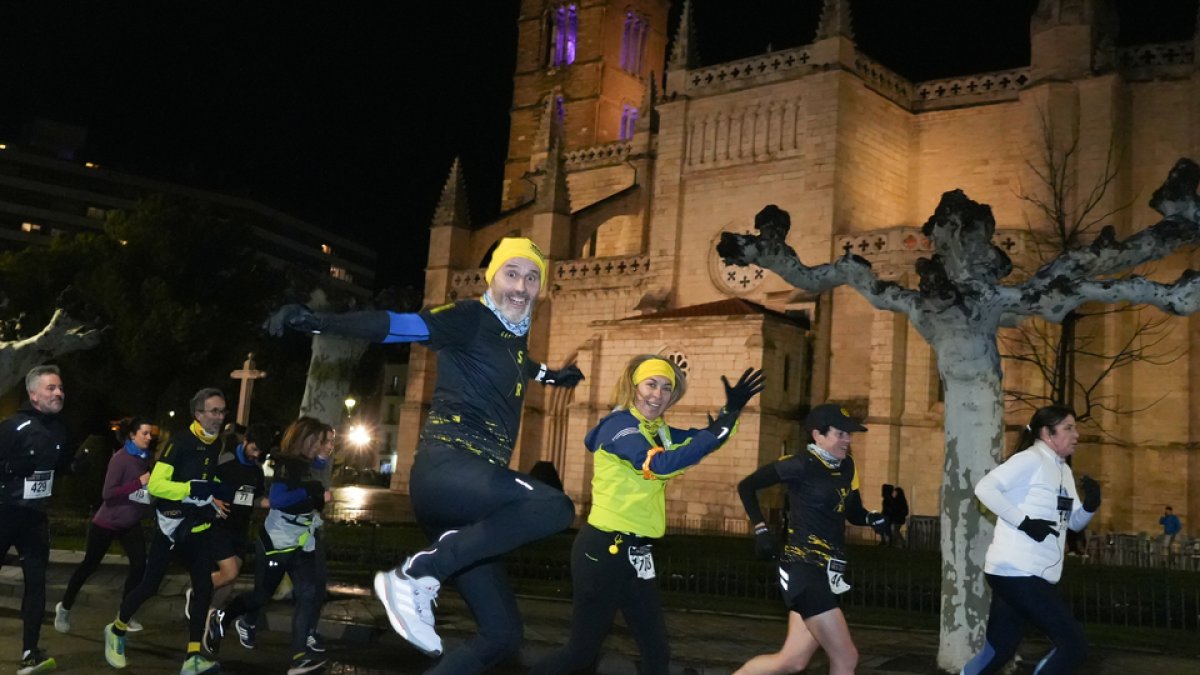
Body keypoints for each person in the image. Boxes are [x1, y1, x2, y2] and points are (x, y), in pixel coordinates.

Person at [266, 236, 583, 673]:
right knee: (553, 506)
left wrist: (553, 375)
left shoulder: (513, 337)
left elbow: (522, 364)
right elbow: (398, 325)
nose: (521, 287)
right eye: (511, 274)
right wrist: (316, 322)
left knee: (503, 635)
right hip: (448, 469)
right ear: (492, 280)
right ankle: (414, 575)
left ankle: (428, 573)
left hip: (467, 506)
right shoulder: (470, 317)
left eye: (531, 278)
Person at [532, 357, 764, 674]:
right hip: (603, 551)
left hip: (638, 552)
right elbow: (658, 464)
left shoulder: (660, 432)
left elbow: (703, 439)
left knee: (657, 653)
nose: (658, 394)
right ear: (633, 386)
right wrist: (715, 431)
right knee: (580, 654)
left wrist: (731, 413)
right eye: (651, 384)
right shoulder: (620, 427)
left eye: (667, 387)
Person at [734, 403, 887, 675]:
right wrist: (761, 530)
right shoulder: (799, 464)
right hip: (803, 568)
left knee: (791, 661)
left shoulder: (848, 466)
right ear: (818, 435)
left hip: (829, 572)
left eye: (849, 435)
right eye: (841, 434)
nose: (847, 440)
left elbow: (852, 512)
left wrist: (872, 518)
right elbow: (746, 486)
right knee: (846, 657)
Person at [961, 405, 1101, 675]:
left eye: (1075, 427)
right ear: (1047, 433)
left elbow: (1072, 522)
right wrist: (1024, 522)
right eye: (1068, 428)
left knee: (999, 649)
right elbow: (985, 488)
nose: (1077, 435)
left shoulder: (1062, 470)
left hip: (1023, 573)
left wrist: (1091, 505)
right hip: (1018, 571)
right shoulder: (1031, 459)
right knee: (1073, 645)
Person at [104, 388, 231, 675]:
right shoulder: (181, 442)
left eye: (223, 411)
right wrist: (190, 489)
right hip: (171, 527)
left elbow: (205, 476)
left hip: (199, 526)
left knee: (203, 588)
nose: (220, 417)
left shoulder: (216, 443)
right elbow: (157, 485)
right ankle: (116, 629)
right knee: (150, 585)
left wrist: (214, 492)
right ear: (198, 414)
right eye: (214, 411)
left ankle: (193, 657)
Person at [205, 417, 333, 675]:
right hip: (276, 543)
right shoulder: (286, 464)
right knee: (261, 596)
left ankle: (299, 659)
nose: (327, 446)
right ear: (307, 440)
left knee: (308, 594)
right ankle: (223, 617)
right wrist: (314, 494)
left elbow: (313, 475)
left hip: (301, 543)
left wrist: (319, 472)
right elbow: (277, 499)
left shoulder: (310, 464)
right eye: (322, 441)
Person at [0, 365, 71, 675]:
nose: (58, 393)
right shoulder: (12, 426)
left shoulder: (60, 429)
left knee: (37, 583)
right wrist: (12, 469)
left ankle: (30, 652)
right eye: (51, 388)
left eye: (60, 388)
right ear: (33, 394)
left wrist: (73, 466)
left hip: (34, 517)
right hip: (4, 512)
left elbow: (54, 468)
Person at [56, 416, 154, 635]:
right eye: (145, 433)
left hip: (130, 522)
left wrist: (148, 496)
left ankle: (125, 615)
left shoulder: (144, 458)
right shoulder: (120, 459)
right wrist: (138, 483)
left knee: (140, 565)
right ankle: (64, 607)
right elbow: (108, 494)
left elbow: (141, 493)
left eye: (150, 434)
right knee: (89, 566)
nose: (149, 437)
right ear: (132, 435)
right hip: (107, 523)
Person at [184, 423, 271, 621]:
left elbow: (256, 497)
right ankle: (196, 592)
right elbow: (202, 484)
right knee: (229, 572)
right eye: (254, 448)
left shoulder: (257, 471)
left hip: (240, 528)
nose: (256, 454)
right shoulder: (224, 461)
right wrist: (212, 499)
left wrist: (273, 503)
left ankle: (208, 614)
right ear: (246, 440)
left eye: (261, 451)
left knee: (231, 579)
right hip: (218, 525)